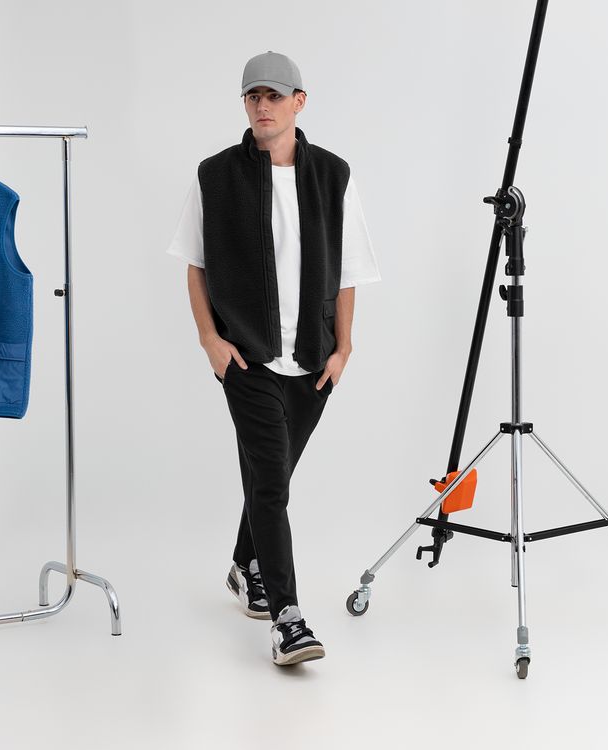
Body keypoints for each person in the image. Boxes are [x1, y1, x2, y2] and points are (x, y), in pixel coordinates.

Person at [166, 50, 381, 666]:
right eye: (252, 95)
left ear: (298, 102)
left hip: (314, 360)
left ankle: (245, 564)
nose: (262, 105)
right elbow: (195, 266)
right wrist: (210, 341)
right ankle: (289, 619)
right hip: (246, 358)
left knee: (272, 477)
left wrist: (344, 348)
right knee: (271, 484)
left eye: (274, 95)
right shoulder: (215, 175)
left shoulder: (333, 175)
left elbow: (348, 272)